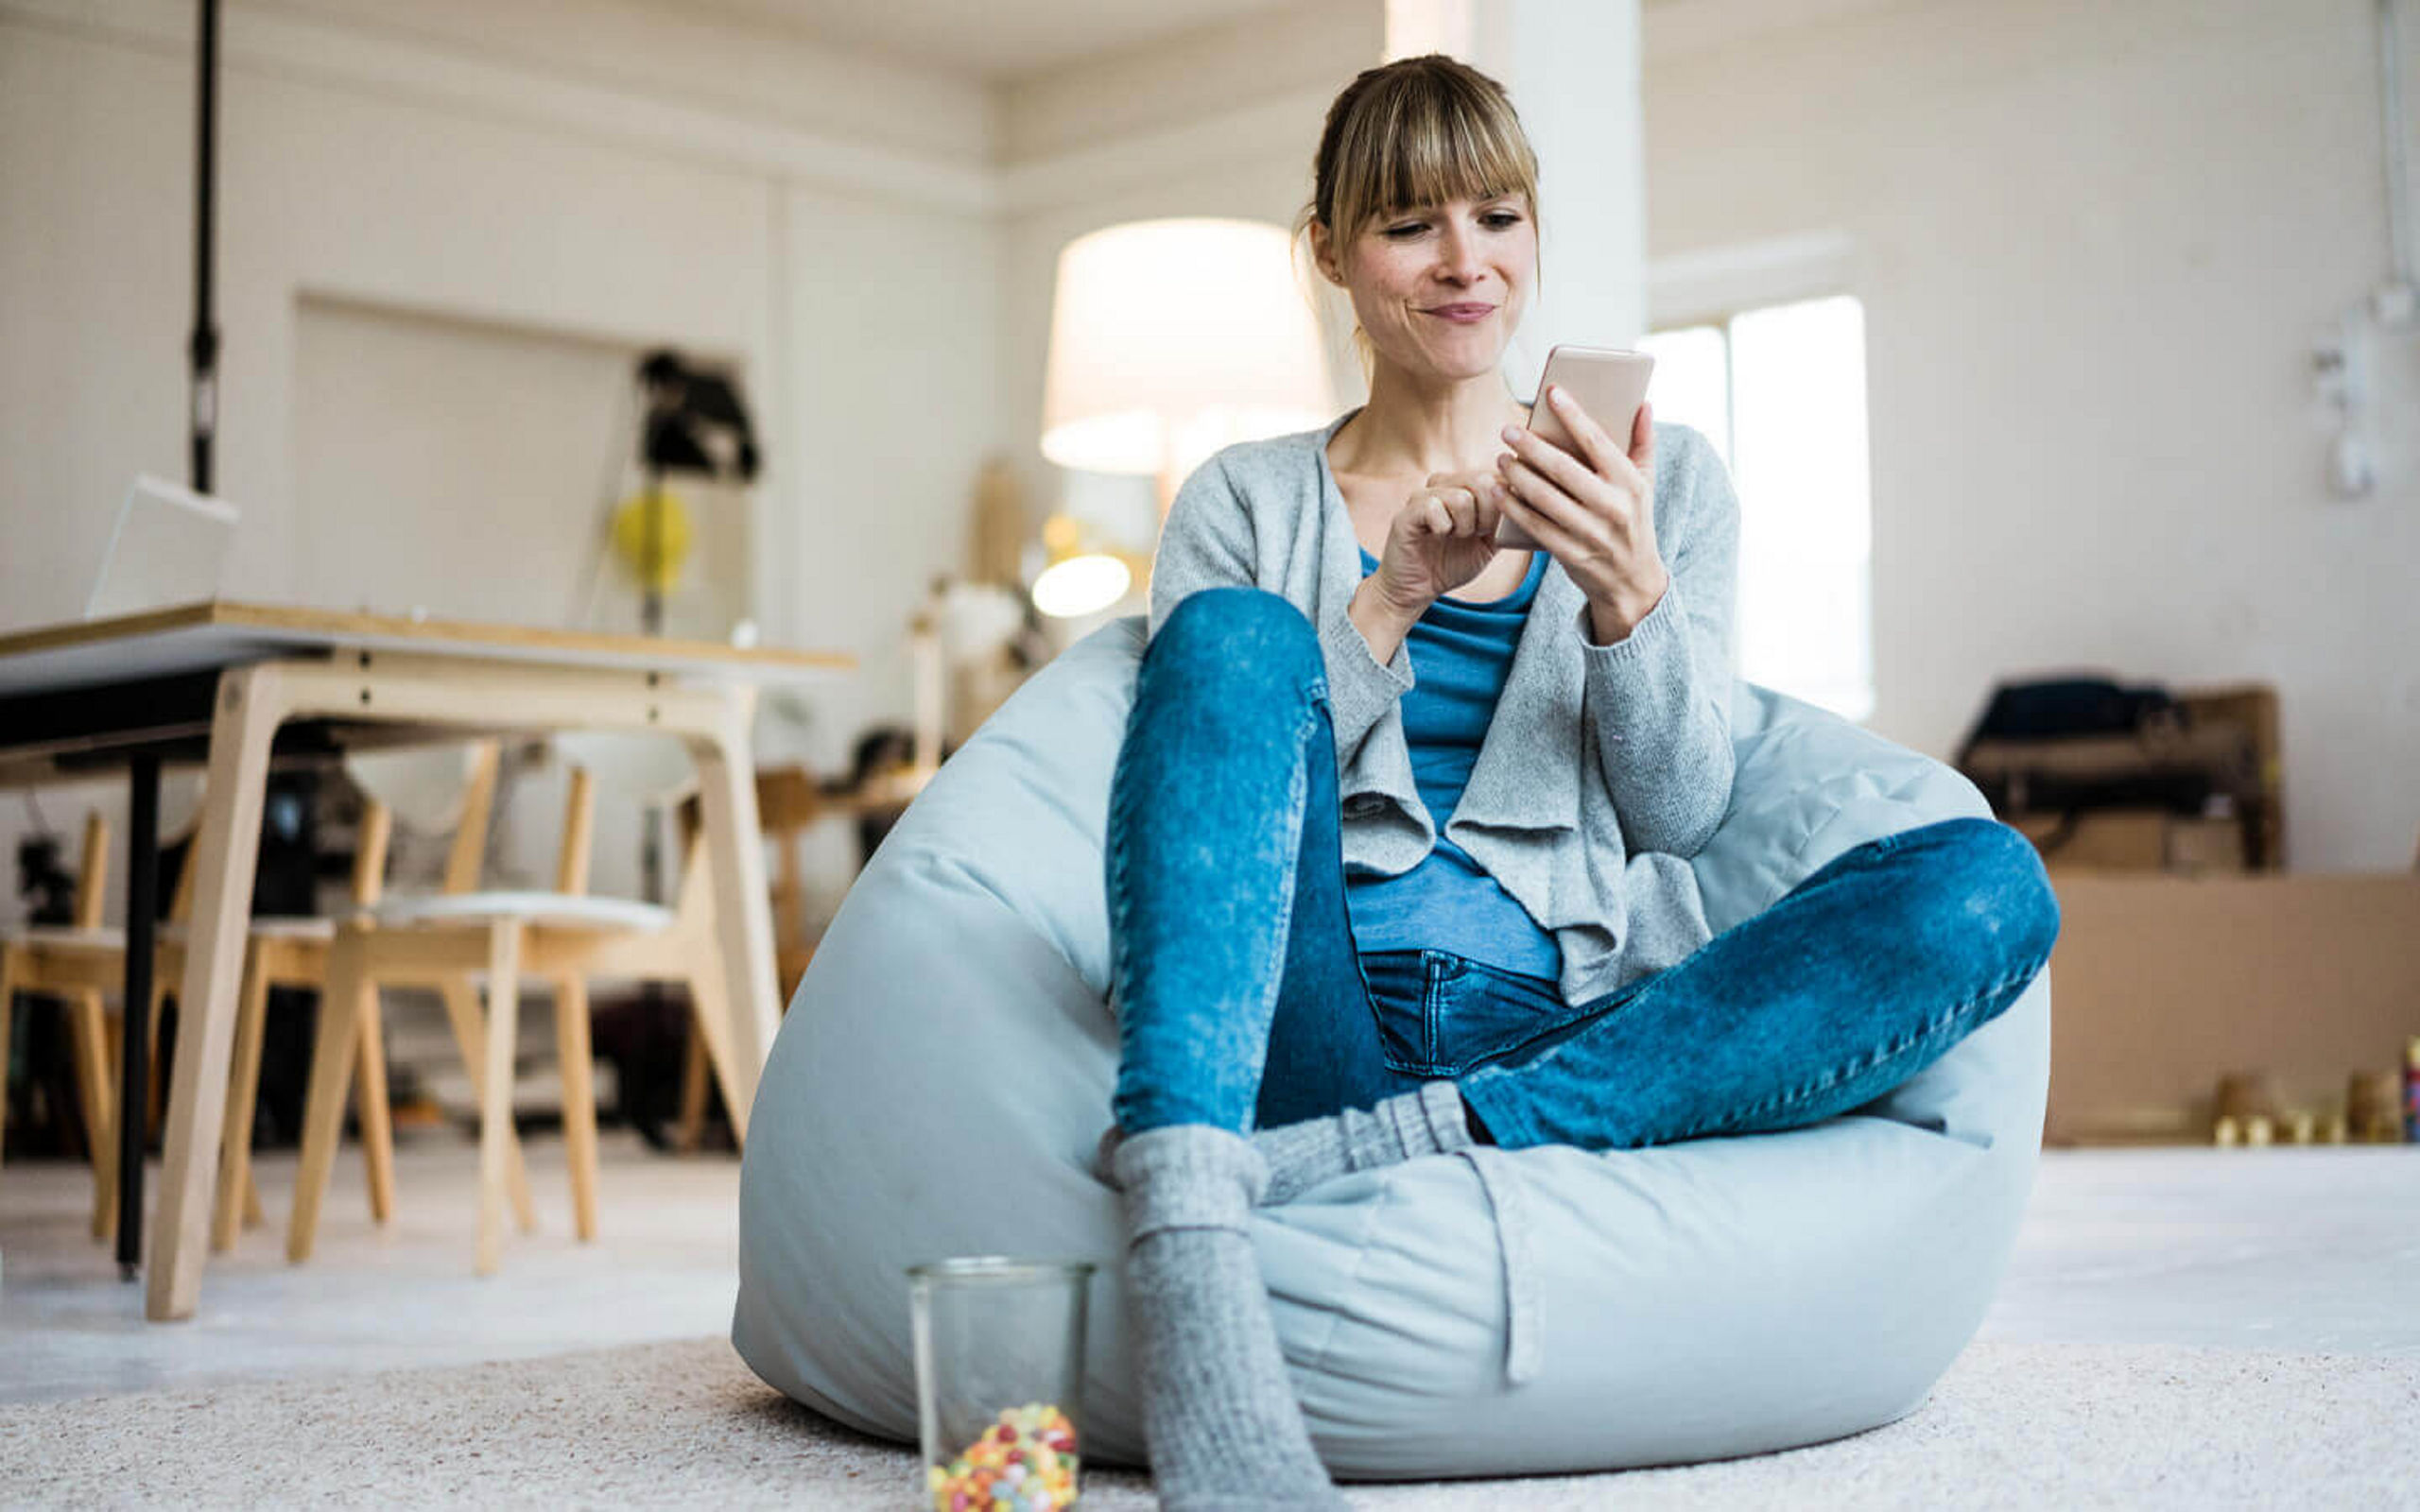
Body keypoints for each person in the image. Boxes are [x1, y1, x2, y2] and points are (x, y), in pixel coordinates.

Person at [1094, 54, 2060, 1511]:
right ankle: (1183, 1227)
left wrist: (1628, 593)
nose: (1465, 261)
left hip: (1570, 1037)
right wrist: (1389, 602)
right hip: (1312, 1010)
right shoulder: (1244, 497)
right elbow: (1219, 808)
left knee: (1989, 882)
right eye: (1412, 223)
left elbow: (1680, 814)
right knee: (1232, 640)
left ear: (1536, 236)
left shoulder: (1667, 488)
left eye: (1498, 216)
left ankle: (1399, 1152)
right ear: (1334, 258)